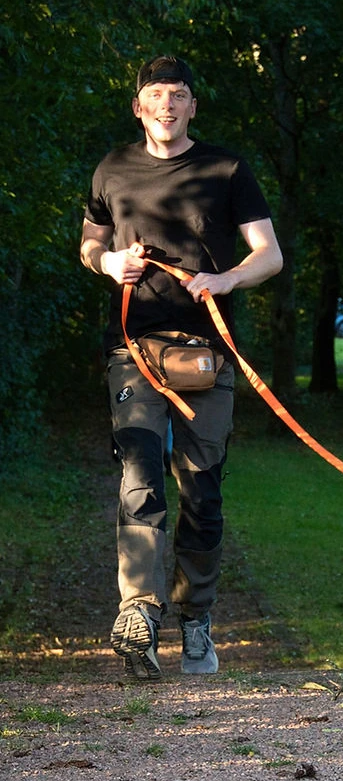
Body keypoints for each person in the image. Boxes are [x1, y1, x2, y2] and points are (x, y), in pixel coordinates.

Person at [80, 55, 283, 680]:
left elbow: (269, 255)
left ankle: (196, 616)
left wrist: (224, 278)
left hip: (206, 356)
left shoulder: (226, 168)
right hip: (134, 351)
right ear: (139, 106)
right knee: (139, 476)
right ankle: (139, 614)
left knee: (202, 491)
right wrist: (110, 264)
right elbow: (89, 243)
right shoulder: (112, 169)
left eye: (179, 94)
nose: (166, 103)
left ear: (193, 106)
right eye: (155, 94)